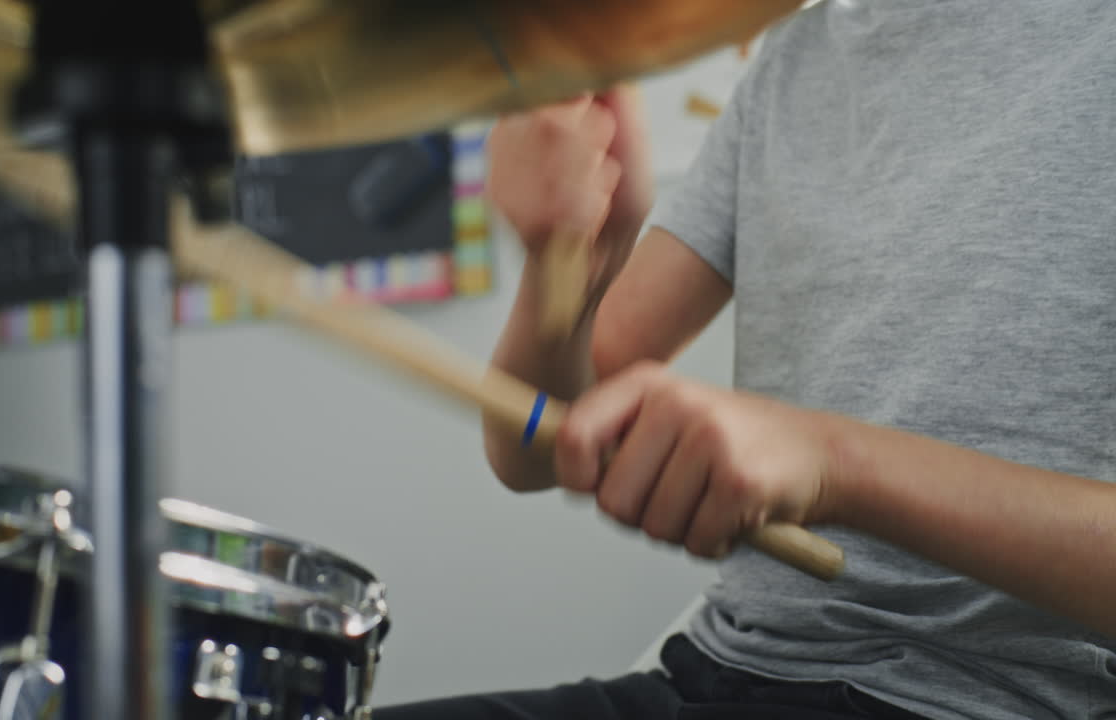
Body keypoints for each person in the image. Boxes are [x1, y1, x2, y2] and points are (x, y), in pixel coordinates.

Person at [378, 1, 1116, 719]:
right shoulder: (793, 57)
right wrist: (563, 269)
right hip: (723, 671)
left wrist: (833, 462)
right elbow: (536, 443)